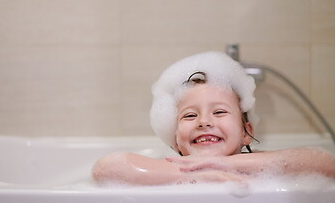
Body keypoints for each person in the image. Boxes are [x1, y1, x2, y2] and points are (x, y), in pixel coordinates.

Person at [92, 52, 335, 186]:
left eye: (219, 112)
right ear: (175, 140)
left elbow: (326, 164)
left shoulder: (256, 165)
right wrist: (194, 175)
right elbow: (107, 168)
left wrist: (230, 164)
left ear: (246, 133)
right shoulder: (170, 169)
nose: (204, 122)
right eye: (189, 115)